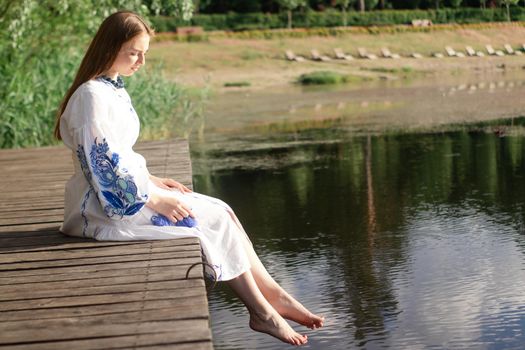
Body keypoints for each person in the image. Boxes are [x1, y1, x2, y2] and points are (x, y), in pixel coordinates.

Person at [54, 11, 324, 346]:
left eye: (144, 54)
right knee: (200, 220)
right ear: (110, 47)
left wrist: (152, 179)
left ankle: (272, 293)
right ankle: (262, 312)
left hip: (130, 190)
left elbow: (116, 152)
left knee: (222, 210)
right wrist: (154, 198)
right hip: (100, 208)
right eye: (134, 52)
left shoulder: (112, 87)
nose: (140, 61)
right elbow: (100, 164)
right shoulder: (91, 96)